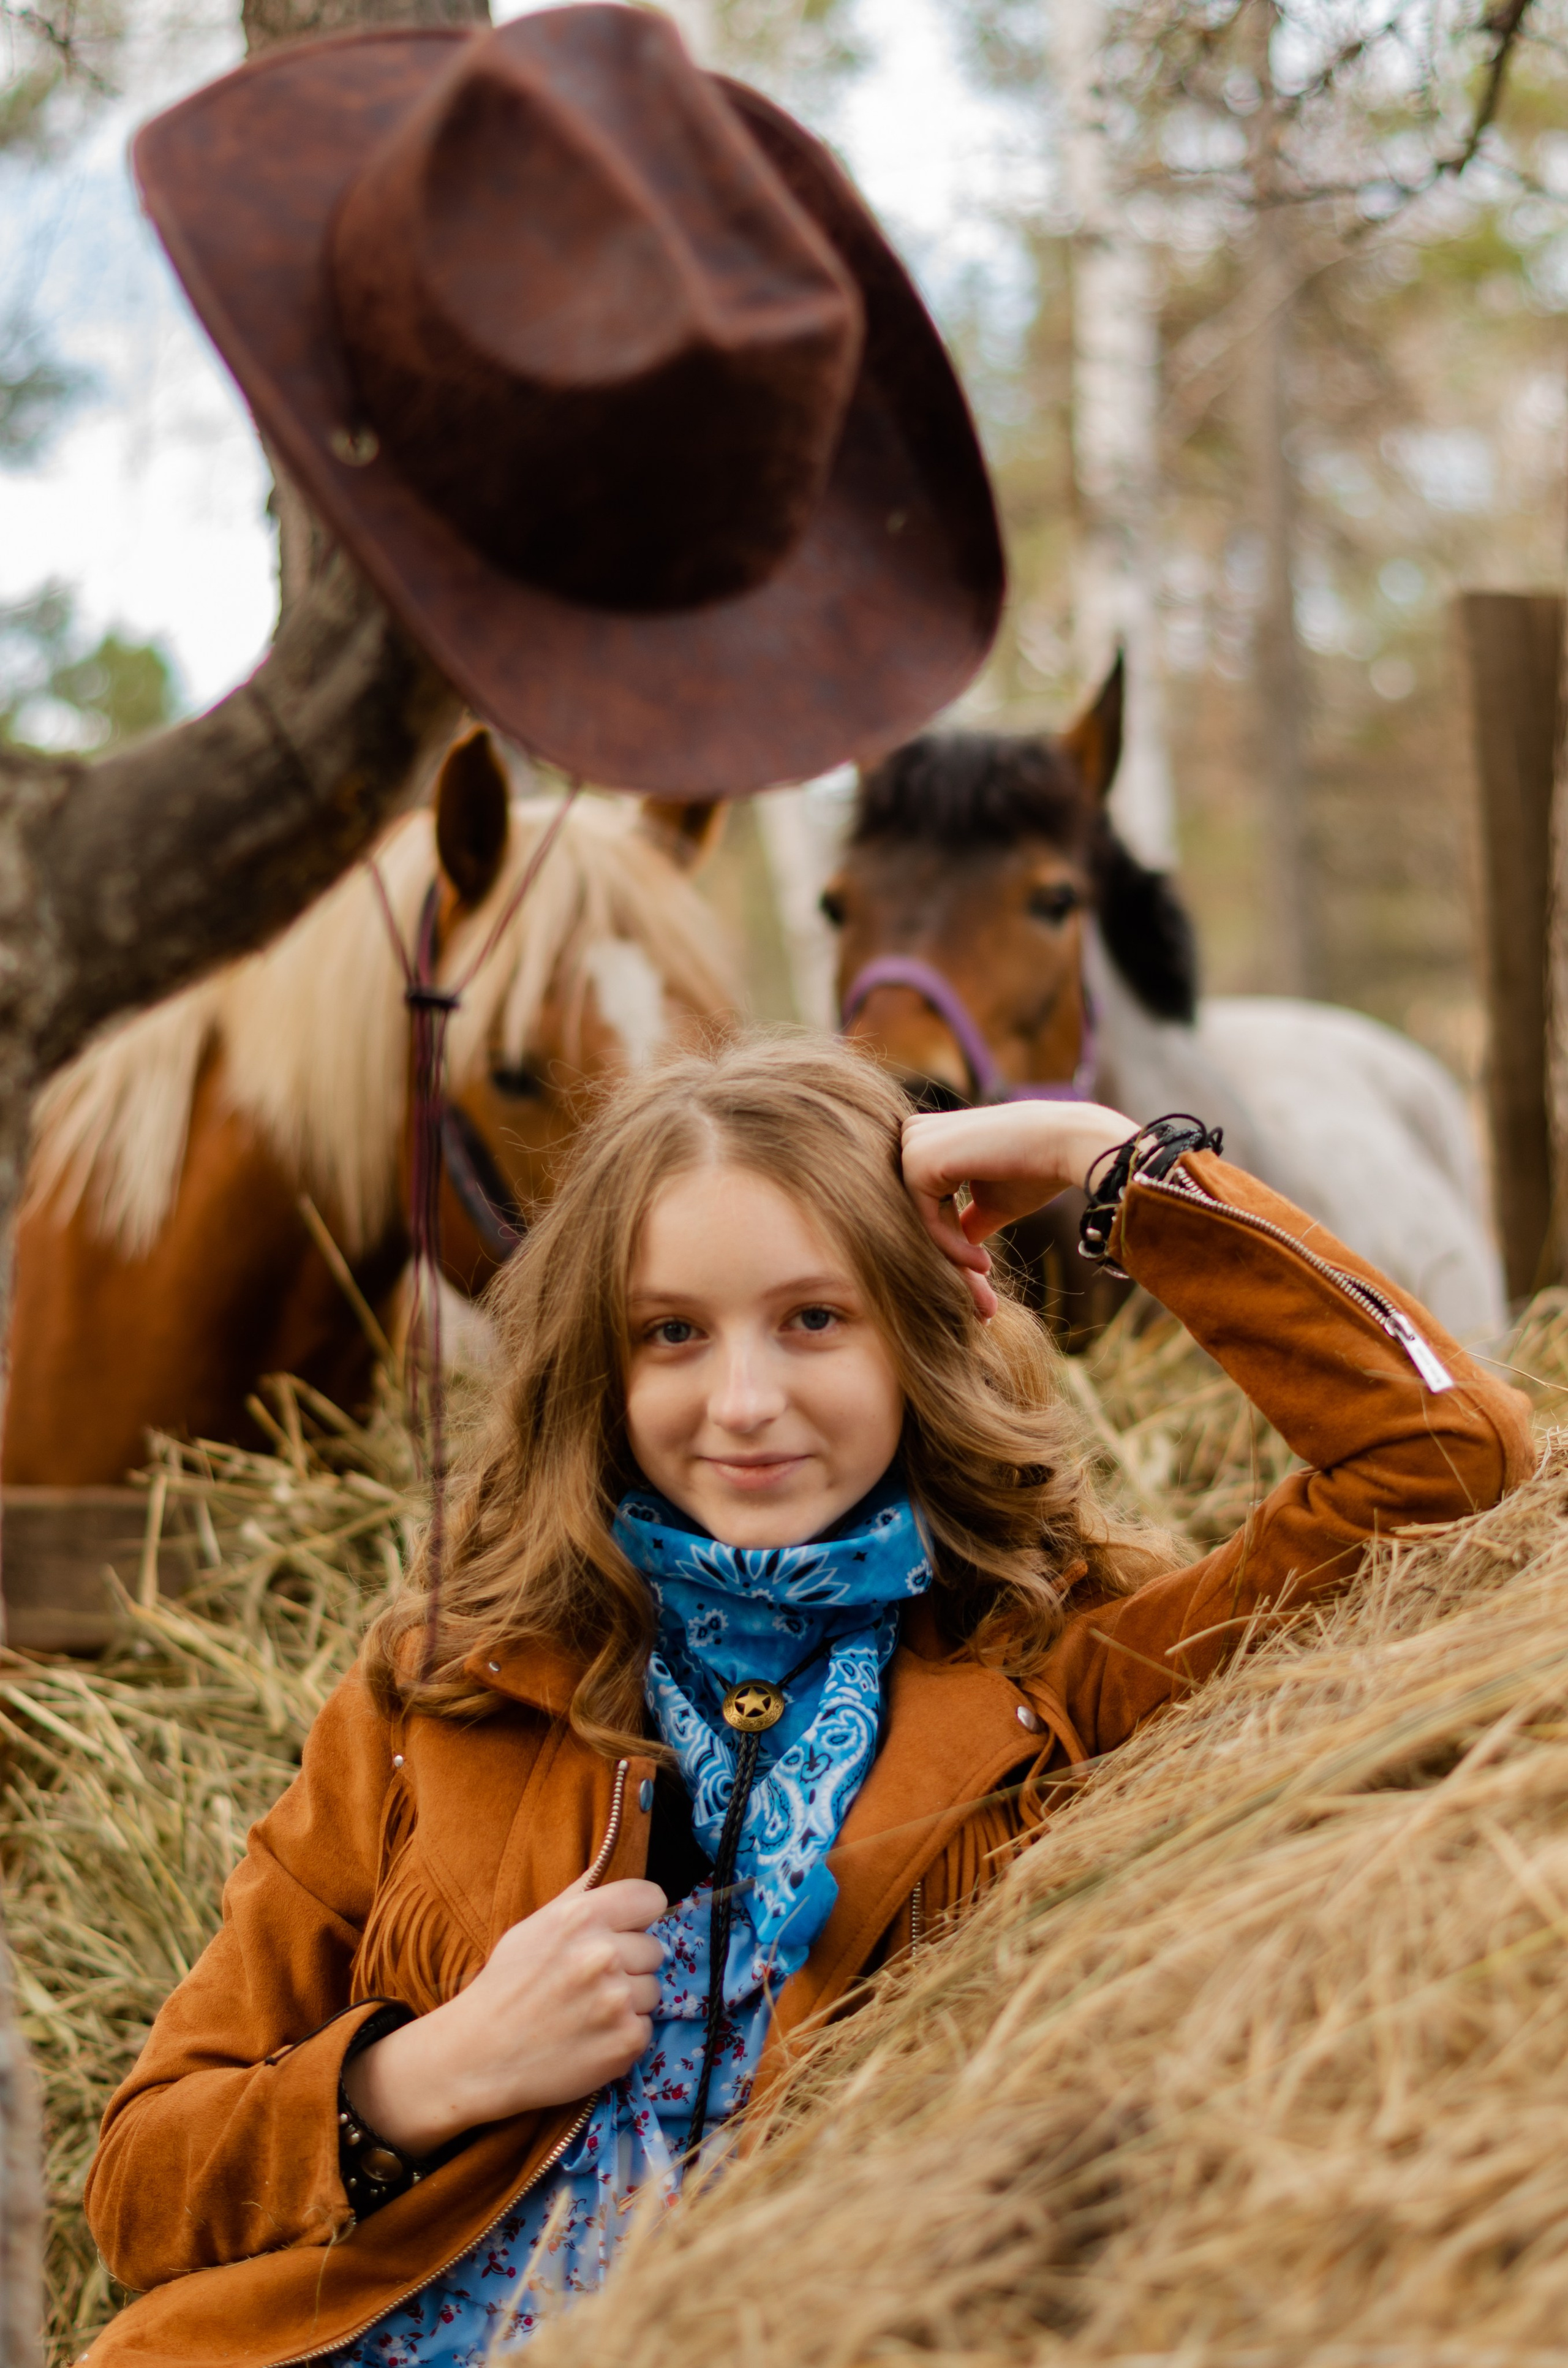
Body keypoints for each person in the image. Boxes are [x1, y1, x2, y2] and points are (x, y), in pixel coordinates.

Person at [83, 1035, 1529, 2368]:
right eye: (672, 1333)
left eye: (812, 1318)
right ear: (600, 1361)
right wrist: (429, 2072)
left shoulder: (1067, 1671)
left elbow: (1448, 1462)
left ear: (917, 1336)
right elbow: (141, 2188)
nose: (745, 1400)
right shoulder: (442, 1694)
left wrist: (1114, 1166)